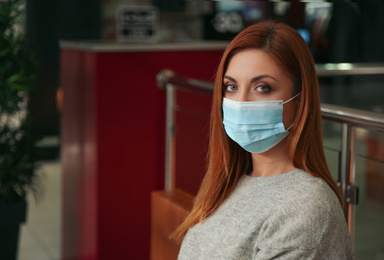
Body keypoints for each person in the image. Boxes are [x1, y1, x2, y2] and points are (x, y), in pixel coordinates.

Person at [175, 21, 354, 259]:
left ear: (300, 100)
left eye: (262, 88)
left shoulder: (304, 206)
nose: (241, 102)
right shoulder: (227, 183)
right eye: (231, 86)